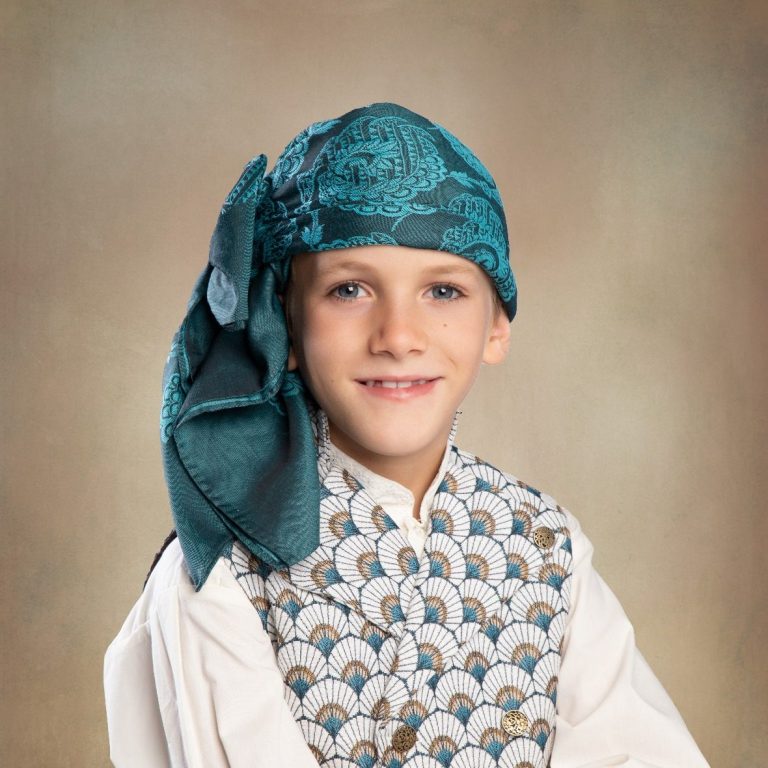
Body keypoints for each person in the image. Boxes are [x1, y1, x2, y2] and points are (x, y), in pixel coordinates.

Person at [104, 102, 710, 767]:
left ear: (497, 326)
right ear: (286, 329)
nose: (397, 336)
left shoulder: (548, 548)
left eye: (443, 291)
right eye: (349, 290)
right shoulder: (222, 570)